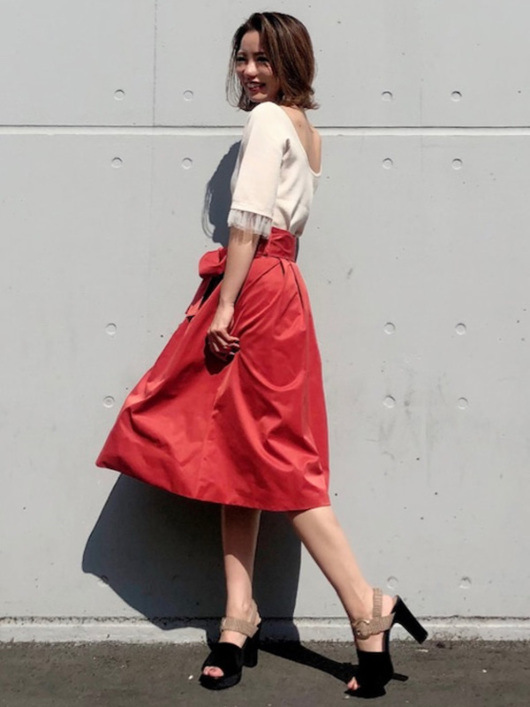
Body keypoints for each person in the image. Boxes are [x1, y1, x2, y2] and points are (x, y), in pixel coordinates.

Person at [96, 11, 427, 698]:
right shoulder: (308, 132)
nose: (248, 71)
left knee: (275, 455)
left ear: (289, 63)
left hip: (255, 291)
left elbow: (247, 222)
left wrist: (223, 308)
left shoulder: (269, 120)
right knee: (235, 453)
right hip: (282, 288)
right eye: (242, 58)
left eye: (262, 59)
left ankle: (368, 605)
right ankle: (238, 615)